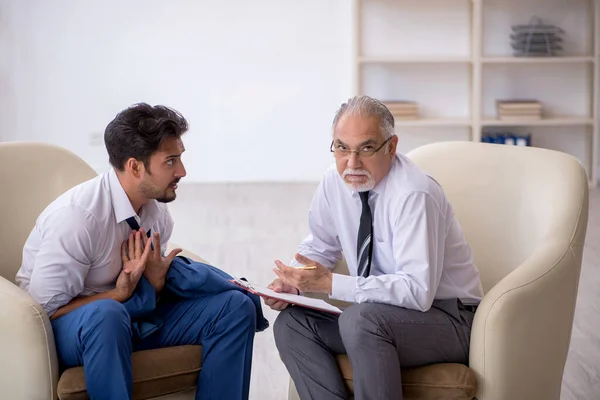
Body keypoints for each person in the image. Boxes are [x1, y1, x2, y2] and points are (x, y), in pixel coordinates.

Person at [15, 103, 266, 400]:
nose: (182, 171)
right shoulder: (78, 219)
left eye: (180, 159)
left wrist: (155, 284)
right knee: (107, 315)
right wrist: (117, 295)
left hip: (131, 315)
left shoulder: (156, 211)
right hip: (76, 330)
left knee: (235, 308)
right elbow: (43, 314)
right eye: (170, 162)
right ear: (135, 166)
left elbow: (145, 292)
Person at [265, 95, 484, 400]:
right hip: (378, 316)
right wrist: (294, 281)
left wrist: (329, 283)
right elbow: (321, 245)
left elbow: (417, 292)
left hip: (448, 320)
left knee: (361, 320)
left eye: (366, 148)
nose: (352, 163)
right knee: (293, 324)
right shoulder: (334, 182)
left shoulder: (414, 195)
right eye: (342, 148)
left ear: (391, 147)